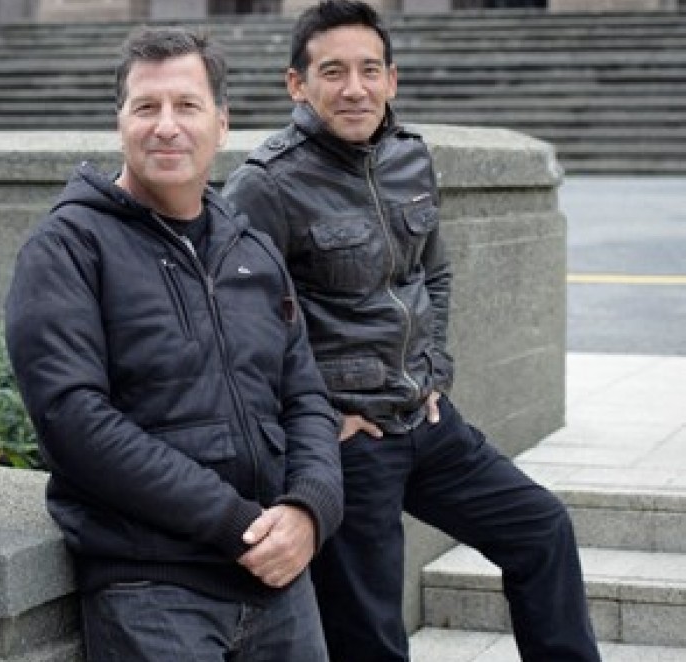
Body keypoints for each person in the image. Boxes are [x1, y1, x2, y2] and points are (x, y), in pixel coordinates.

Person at [222, 2, 601, 661]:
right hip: (348, 443)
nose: (354, 88)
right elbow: (234, 324)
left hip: (423, 419)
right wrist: (319, 416)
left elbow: (435, 273)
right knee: (370, 636)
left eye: (370, 70)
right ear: (296, 85)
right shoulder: (266, 184)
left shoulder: (408, 157)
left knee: (540, 528)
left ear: (391, 80)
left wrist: (433, 371)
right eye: (333, 71)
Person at [5, 27, 343, 662]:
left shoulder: (252, 248)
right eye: (146, 107)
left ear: (221, 123)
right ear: (119, 122)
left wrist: (310, 508)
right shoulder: (67, 248)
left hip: (278, 584)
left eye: (186, 106)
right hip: (151, 589)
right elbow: (74, 422)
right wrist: (231, 522)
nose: (166, 126)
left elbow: (304, 397)